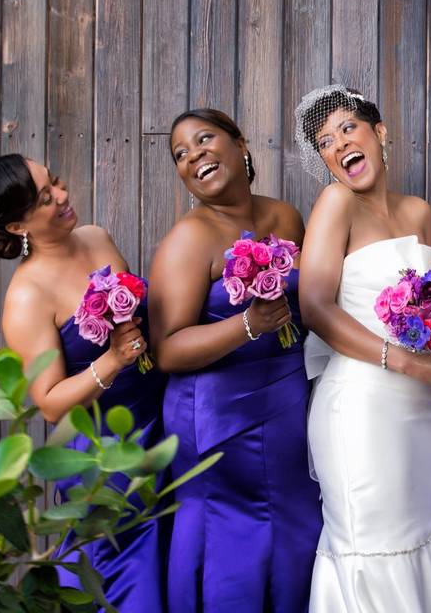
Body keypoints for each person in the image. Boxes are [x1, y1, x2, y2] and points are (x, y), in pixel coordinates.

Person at [296, 85, 431, 611]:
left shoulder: (420, 212)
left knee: (425, 532)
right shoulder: (337, 203)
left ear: (379, 133)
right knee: (372, 544)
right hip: (362, 409)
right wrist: (407, 364)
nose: (339, 145)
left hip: (424, 412)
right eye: (325, 142)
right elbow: (315, 308)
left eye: (348, 128)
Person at [0, 153, 167, 610]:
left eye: (55, 181)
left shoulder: (96, 237)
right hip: (105, 452)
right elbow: (52, 404)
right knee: (129, 580)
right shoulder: (26, 297)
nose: (62, 196)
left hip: (161, 420)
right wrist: (114, 358)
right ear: (19, 227)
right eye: (44, 198)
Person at [150, 109, 321, 612]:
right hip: (220, 416)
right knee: (232, 546)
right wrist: (248, 325)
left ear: (240, 144)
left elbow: (308, 305)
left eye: (204, 139)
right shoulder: (189, 240)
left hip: (288, 403)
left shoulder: (285, 216)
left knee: (294, 534)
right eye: (181, 154)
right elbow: (167, 349)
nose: (194, 155)